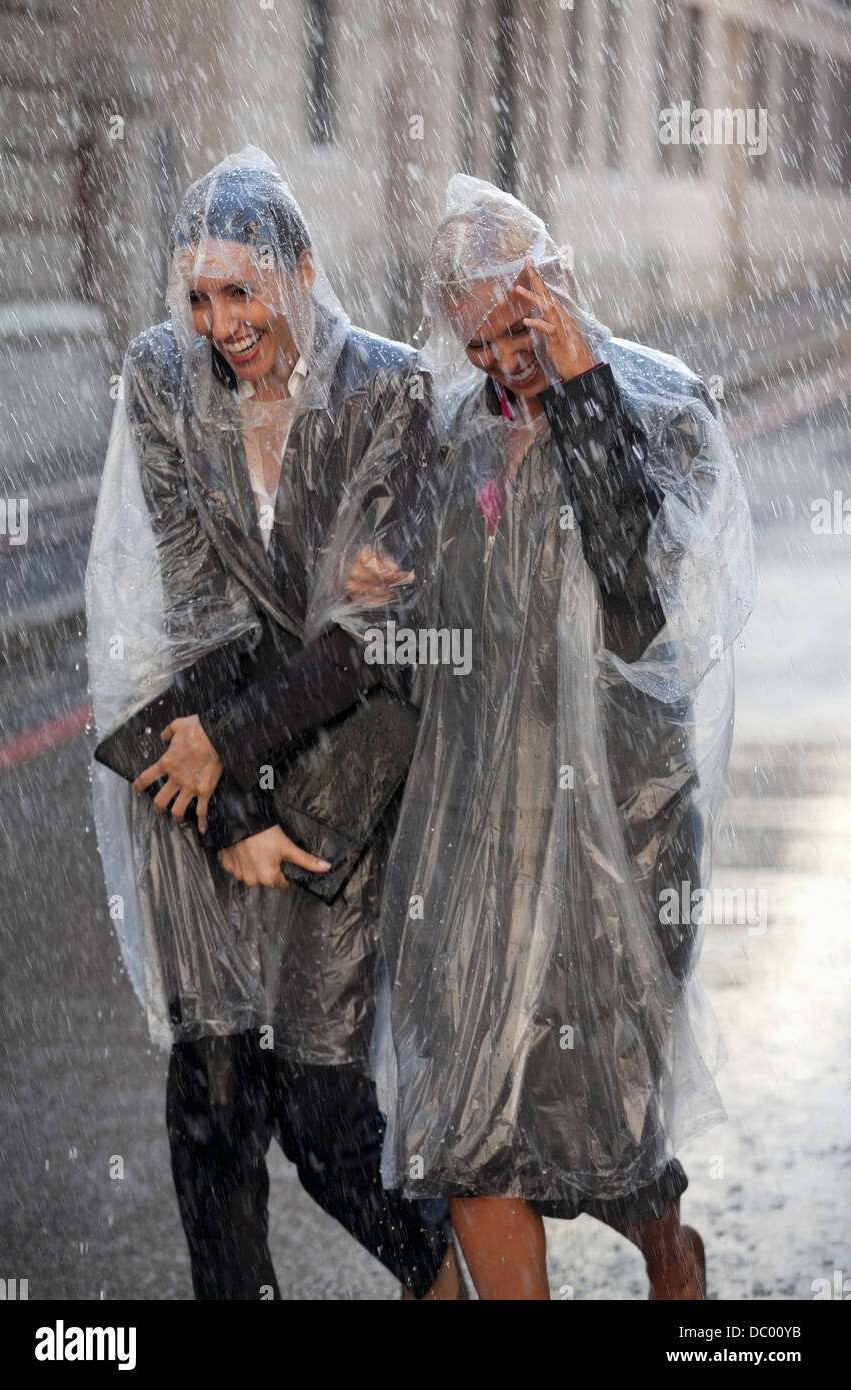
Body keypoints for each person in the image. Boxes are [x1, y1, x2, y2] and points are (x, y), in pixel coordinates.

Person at [360, 176, 756, 1300]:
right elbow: (430, 639)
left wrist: (580, 384)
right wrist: (380, 591)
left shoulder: (661, 405)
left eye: (519, 324)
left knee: (601, 1117)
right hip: (472, 829)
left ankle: (669, 1259)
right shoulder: (449, 438)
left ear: (559, 285)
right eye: (477, 338)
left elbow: (634, 591)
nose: (500, 360)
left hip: (613, 828)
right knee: (468, 1120)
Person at [86, 148, 458, 1300]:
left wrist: (229, 748)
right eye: (197, 296)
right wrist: (225, 800)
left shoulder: (387, 392)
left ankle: (436, 1268)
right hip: (201, 765)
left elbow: (366, 642)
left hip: (337, 770)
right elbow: (190, 605)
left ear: (302, 270)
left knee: (321, 1112)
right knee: (211, 1099)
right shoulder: (160, 378)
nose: (219, 323)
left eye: (241, 291)